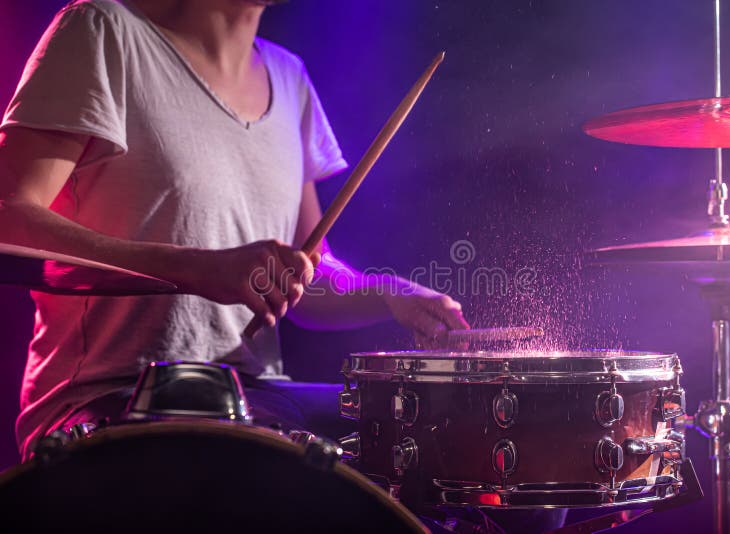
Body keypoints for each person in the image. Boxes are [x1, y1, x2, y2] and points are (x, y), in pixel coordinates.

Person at [0, 0, 469, 460]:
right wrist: (199, 269)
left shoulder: (289, 77)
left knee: (432, 433)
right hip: (108, 394)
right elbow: (9, 217)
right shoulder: (104, 30)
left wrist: (390, 294)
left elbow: (305, 272)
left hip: (249, 397)